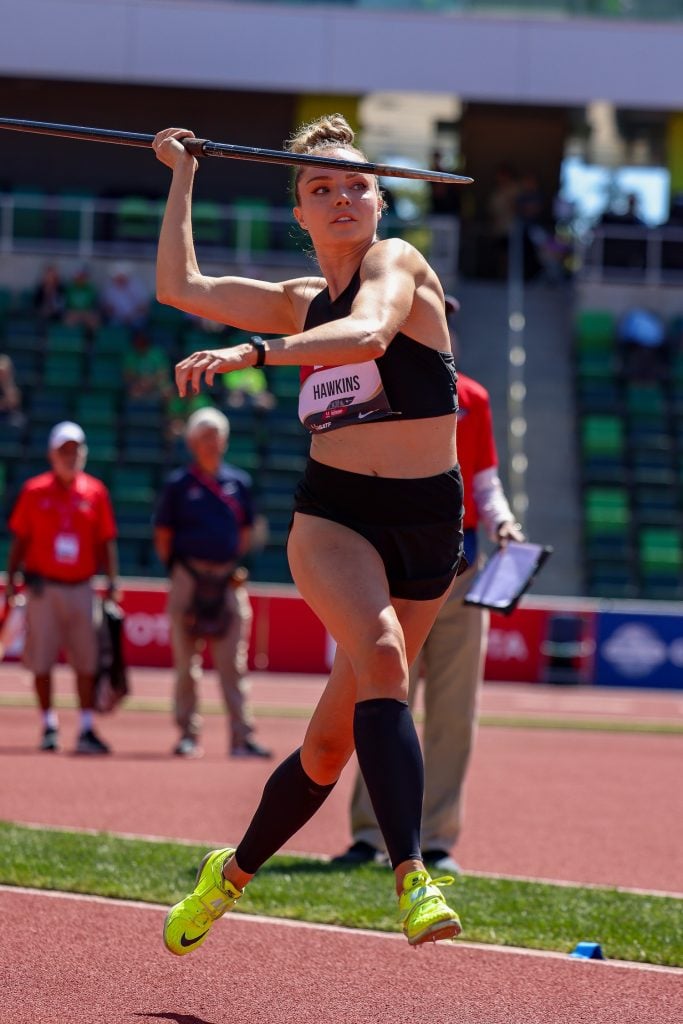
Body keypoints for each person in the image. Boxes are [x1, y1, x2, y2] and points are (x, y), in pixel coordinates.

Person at [152, 112, 466, 956]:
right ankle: (412, 877)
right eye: (319, 188)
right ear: (297, 212)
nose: (340, 199)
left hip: (430, 522)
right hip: (336, 517)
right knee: (386, 658)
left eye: (355, 185)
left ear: (379, 200)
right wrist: (181, 174)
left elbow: (366, 333)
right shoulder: (298, 300)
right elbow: (179, 287)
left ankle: (232, 871)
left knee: (329, 745)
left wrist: (252, 353)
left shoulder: (398, 264)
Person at [334, 295, 524, 873]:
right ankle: (371, 835)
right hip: (394, 575)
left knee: (453, 714)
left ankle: (436, 841)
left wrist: (505, 522)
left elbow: (486, 481)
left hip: (463, 574)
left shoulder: (475, 398)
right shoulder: (373, 390)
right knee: (382, 702)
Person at [153, 407, 269, 760]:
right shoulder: (178, 485)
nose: (210, 442)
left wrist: (230, 565)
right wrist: (181, 571)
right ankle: (188, 734)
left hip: (228, 579)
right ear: (191, 442)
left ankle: (241, 737)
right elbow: (163, 535)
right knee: (186, 664)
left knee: (233, 664)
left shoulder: (239, 483)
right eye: (203, 435)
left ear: (225, 440)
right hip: (188, 577)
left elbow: (248, 532)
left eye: (216, 435)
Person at [5, 421, 118, 754]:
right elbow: (20, 539)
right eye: (64, 450)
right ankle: (49, 724)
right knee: (41, 659)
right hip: (44, 588)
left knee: (87, 660)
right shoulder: (33, 491)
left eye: (76, 450)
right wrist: (12, 579)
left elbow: (106, 540)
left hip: (82, 588)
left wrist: (112, 581)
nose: (71, 456)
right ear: (52, 454)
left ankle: (85, 726)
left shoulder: (96, 492)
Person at [123, 329, 172, 401]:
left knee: (168, 391)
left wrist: (151, 382)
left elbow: (164, 373)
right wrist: (141, 382)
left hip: (157, 383)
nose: (140, 345)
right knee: (133, 393)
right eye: (138, 343)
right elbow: (128, 375)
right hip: (139, 384)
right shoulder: (131, 356)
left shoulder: (157, 354)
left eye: (142, 343)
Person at [102, 261, 149, 329]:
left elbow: (144, 307)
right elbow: (107, 307)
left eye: (122, 276)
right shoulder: (110, 288)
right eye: (118, 276)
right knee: (113, 325)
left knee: (138, 325)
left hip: (135, 317)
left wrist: (131, 316)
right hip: (117, 318)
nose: (120, 279)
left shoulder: (137, 286)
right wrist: (120, 317)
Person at [63, 265, 101, 334]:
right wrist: (75, 313)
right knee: (69, 320)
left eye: (83, 276)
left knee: (94, 320)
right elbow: (66, 306)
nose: (80, 278)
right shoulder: (70, 288)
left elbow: (93, 306)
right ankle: (72, 341)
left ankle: (90, 341)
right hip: (73, 313)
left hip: (86, 313)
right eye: (79, 276)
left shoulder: (90, 289)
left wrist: (84, 313)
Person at [0, 354, 24, 429]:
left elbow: (13, 403)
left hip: (8, 416)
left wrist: (6, 383)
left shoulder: (13, 384)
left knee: (20, 421)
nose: (1, 374)